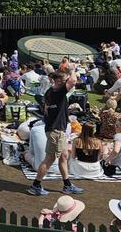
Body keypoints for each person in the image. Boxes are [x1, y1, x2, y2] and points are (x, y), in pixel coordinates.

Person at [28, 69, 84, 198]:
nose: (67, 82)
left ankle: (67, 185)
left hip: (56, 129)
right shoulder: (59, 91)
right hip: (56, 130)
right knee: (50, 158)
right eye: (65, 80)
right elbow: (74, 81)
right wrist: (72, 69)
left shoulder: (50, 91)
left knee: (64, 156)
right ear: (59, 81)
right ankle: (36, 185)